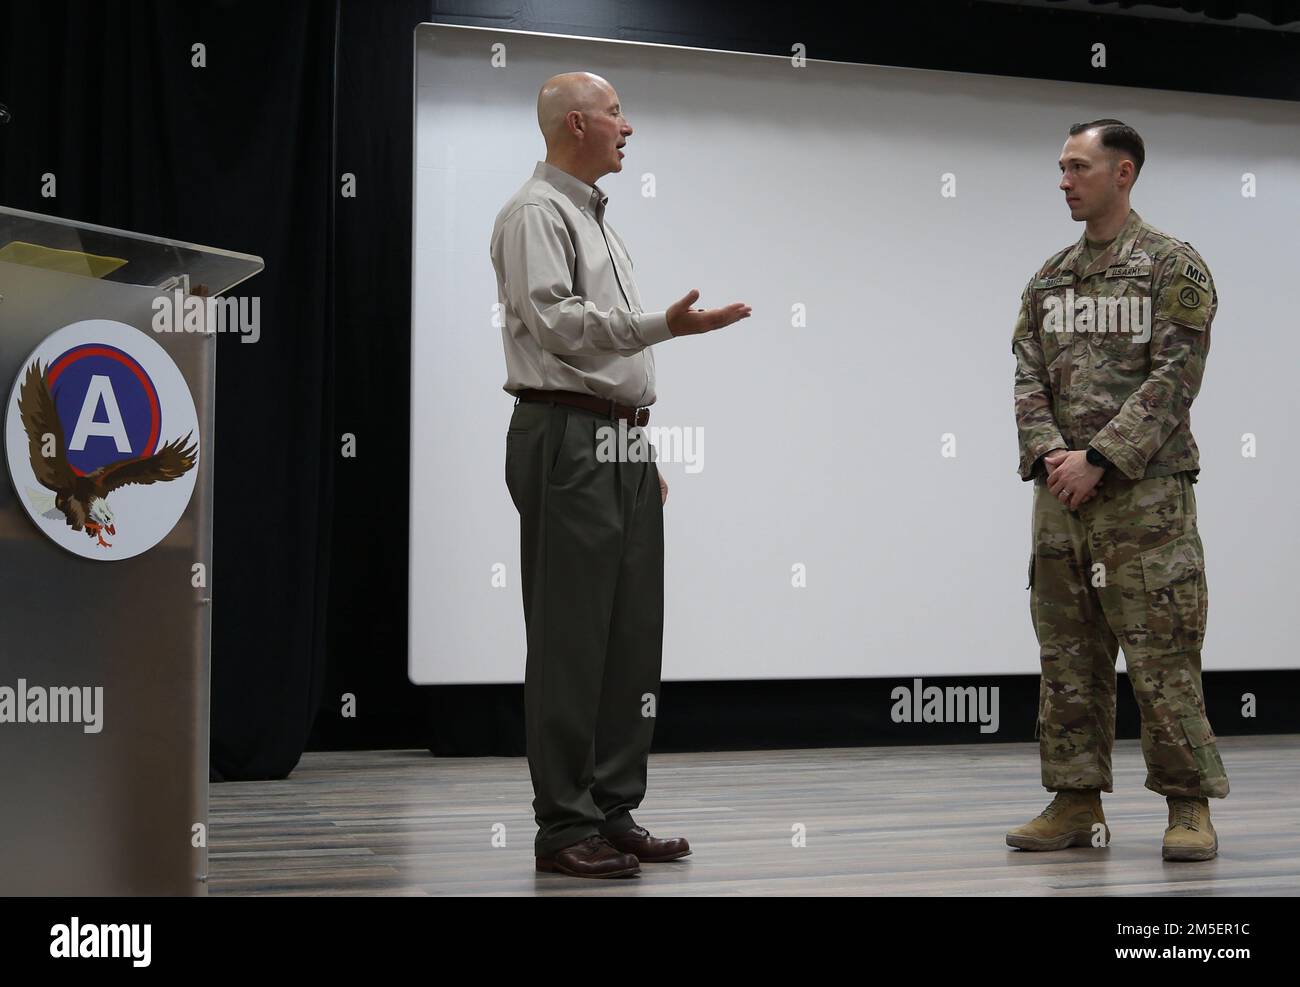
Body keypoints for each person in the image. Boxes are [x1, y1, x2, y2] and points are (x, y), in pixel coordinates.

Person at [489, 71, 751, 878]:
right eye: (614, 113)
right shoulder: (538, 213)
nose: (626, 126)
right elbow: (561, 327)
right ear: (577, 123)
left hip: (614, 442)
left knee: (628, 640)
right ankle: (563, 824)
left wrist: (635, 448)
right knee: (571, 641)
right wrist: (662, 327)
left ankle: (610, 809)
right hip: (565, 437)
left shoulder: (593, 218)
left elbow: (605, 364)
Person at [1008, 119, 1228, 862]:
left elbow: (1175, 379)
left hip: (1145, 499)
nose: (1064, 180)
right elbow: (1027, 376)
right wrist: (1050, 458)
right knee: (1066, 652)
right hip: (1061, 499)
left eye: (1078, 166)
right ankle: (1075, 802)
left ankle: (1188, 804)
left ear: (1123, 172)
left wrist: (1099, 457)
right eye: (1061, 167)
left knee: (1163, 654)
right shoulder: (1048, 278)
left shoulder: (1172, 267)